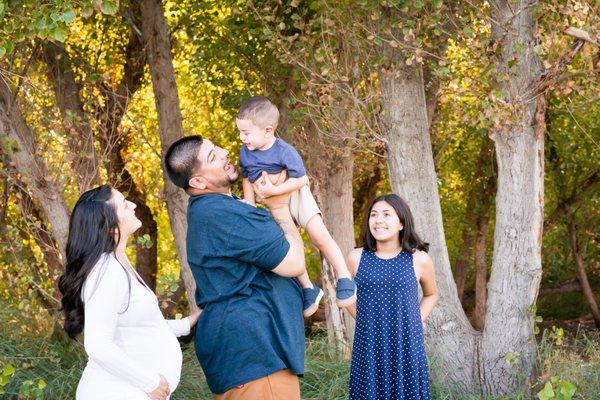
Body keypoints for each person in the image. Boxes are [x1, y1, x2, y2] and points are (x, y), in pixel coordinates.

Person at [164, 135, 307, 399]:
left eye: (216, 147)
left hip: (247, 357)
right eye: (212, 156)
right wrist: (280, 209)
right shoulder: (223, 214)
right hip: (257, 357)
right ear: (198, 182)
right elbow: (294, 262)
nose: (224, 152)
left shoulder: (213, 211)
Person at [58, 184, 201, 400]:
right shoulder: (106, 271)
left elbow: (138, 326)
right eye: (124, 205)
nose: (133, 205)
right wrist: (151, 383)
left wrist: (187, 323)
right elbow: (98, 345)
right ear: (111, 227)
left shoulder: (116, 261)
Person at [236, 96, 356, 317]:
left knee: (318, 236)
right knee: (289, 247)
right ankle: (309, 288)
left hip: (296, 195)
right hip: (272, 204)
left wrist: (274, 191)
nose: (242, 138)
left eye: (246, 132)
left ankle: (344, 276)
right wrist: (250, 201)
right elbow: (246, 175)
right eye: (240, 132)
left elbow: (302, 180)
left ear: (268, 130)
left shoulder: (284, 151)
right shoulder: (246, 152)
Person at [346, 194, 438, 400]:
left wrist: (415, 321)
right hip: (368, 344)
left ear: (401, 223)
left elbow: (431, 295)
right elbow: (345, 295)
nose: (378, 220)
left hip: (406, 343)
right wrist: (364, 321)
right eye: (374, 215)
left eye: (387, 215)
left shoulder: (419, 259)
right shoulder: (356, 257)